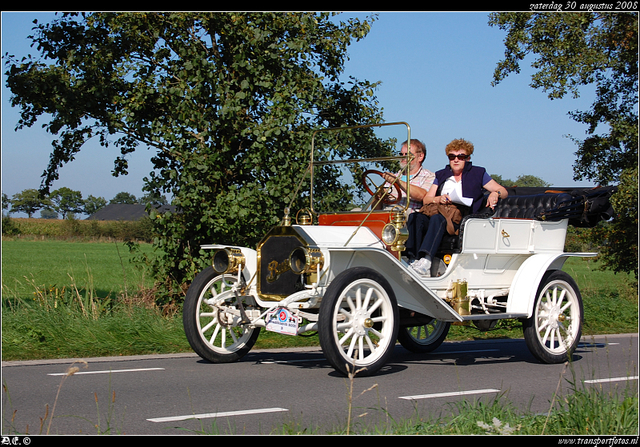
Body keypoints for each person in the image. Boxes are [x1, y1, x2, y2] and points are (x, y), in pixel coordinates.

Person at [406, 138, 508, 276]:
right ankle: (412, 258)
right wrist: (438, 198)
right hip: (442, 211)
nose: (456, 160)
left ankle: (426, 261)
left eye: (461, 157)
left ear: (468, 158)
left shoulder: (478, 173)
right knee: (415, 217)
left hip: (462, 218)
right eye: (452, 156)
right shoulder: (442, 174)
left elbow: (504, 191)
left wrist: (495, 193)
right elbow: (426, 200)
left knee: (437, 219)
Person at [378, 139, 435, 213]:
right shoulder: (393, 176)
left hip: (409, 218)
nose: (403, 157)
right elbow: (376, 209)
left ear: (420, 156)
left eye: (408, 154)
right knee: (358, 212)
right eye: (401, 154)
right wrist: (378, 196)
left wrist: (398, 182)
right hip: (387, 216)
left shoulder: (429, 176)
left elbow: (423, 195)